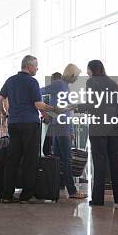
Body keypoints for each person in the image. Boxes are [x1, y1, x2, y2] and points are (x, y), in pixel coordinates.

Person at [0, 55, 54, 204]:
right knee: (30, 160)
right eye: (36, 65)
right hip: (30, 124)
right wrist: (52, 109)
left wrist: (5, 113)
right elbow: (38, 104)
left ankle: (6, 195)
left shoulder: (10, 80)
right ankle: (26, 195)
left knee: (12, 159)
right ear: (29, 66)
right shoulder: (32, 81)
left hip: (14, 124)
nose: (37, 68)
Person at [41, 64, 87, 199]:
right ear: (71, 75)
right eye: (76, 76)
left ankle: (58, 185)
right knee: (66, 159)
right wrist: (46, 109)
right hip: (61, 127)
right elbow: (39, 91)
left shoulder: (64, 86)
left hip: (61, 126)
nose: (77, 79)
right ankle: (72, 191)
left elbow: (66, 110)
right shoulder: (60, 84)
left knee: (59, 158)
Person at [86, 60, 118, 207]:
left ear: (92, 70)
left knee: (99, 161)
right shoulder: (112, 83)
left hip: (99, 126)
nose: (87, 72)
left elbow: (93, 104)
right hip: (115, 125)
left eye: (88, 70)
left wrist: (79, 107)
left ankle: (98, 199)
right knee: (116, 162)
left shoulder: (91, 82)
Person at [41, 72, 62, 156]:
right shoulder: (65, 87)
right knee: (60, 147)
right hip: (62, 120)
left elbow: (39, 91)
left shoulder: (56, 85)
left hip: (56, 120)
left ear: (53, 79)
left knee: (53, 146)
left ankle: (56, 166)